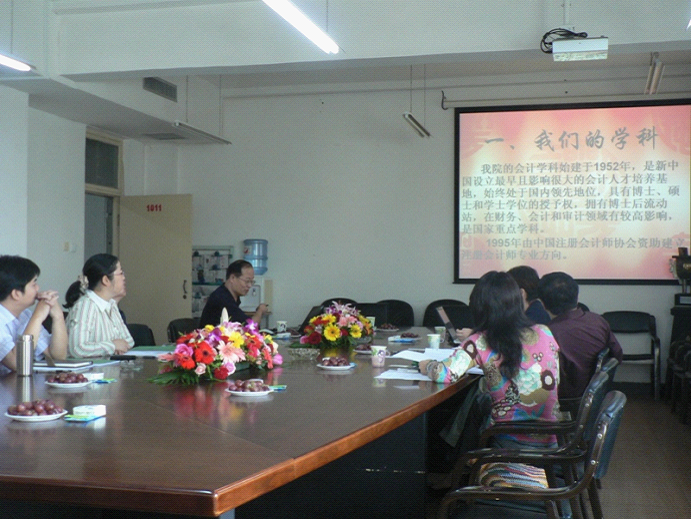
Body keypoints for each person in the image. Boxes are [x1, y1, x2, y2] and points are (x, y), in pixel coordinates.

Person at [420, 271, 561, 449]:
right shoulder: (544, 332)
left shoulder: (480, 340)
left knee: (480, 405)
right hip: (553, 443)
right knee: (481, 403)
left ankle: (460, 459)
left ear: (478, 308)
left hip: (507, 444)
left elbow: (444, 374)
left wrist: (427, 365)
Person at [538, 271, 623, 400]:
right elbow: (617, 355)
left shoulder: (546, 334)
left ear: (542, 303)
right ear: (577, 297)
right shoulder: (598, 321)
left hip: (561, 401)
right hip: (595, 398)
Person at [0, 255, 68, 375]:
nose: (38, 288)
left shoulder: (25, 315)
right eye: (33, 284)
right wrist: (38, 317)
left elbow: (58, 356)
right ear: (16, 294)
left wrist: (58, 317)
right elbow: (17, 363)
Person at [64, 254, 134, 358]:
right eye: (120, 273)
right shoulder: (85, 306)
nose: (124, 277)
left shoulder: (111, 304)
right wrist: (112, 346)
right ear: (106, 280)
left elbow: (129, 341)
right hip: (86, 368)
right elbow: (77, 348)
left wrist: (118, 346)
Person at [198, 260, 269, 327]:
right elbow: (250, 326)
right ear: (232, 278)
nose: (250, 285)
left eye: (251, 282)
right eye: (247, 281)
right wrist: (260, 310)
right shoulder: (222, 298)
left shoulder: (229, 295)